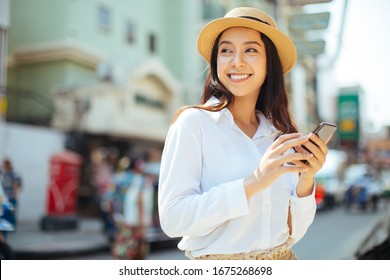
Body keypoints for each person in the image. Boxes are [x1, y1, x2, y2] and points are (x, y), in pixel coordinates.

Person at [158, 7, 329, 260]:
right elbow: (173, 219)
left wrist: (305, 182)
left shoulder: (279, 136)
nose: (236, 60)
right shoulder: (193, 124)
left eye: (250, 50)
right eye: (226, 50)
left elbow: (293, 233)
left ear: (269, 64)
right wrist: (255, 181)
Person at [0, 158, 22, 227]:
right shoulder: (3, 173)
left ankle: (12, 225)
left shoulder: (13, 173)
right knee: (4, 211)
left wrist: (15, 193)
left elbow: (16, 184)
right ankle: (6, 224)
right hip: (4, 195)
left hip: (11, 195)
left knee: (11, 211)